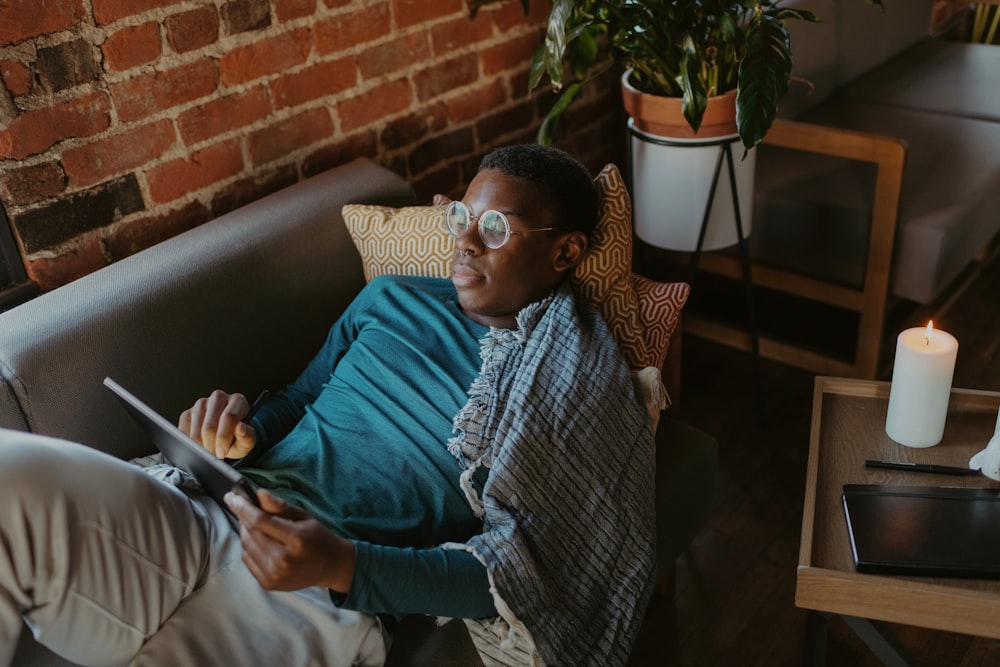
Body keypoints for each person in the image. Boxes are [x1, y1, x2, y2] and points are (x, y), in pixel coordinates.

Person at [0, 144, 655, 667]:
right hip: (211, 505)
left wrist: (341, 564)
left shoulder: (566, 379)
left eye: (493, 227)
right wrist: (239, 428)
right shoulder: (390, 295)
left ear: (564, 251)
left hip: (315, 595)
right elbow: (299, 397)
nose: (465, 243)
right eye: (461, 217)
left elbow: (517, 571)